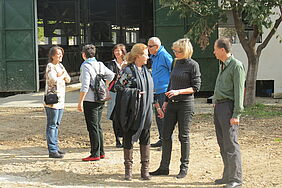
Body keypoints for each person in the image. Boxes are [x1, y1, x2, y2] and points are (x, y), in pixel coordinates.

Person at [150, 38, 201, 179]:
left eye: (177, 51)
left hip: (185, 104)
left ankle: (183, 167)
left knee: (183, 136)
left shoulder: (193, 65)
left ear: (184, 51)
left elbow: (196, 87)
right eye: (174, 50)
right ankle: (163, 167)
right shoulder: (175, 63)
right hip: (171, 104)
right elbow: (170, 83)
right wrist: (165, 102)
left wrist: (179, 92)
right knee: (166, 136)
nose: (174, 53)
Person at [114, 43, 162, 181]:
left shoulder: (147, 71)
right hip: (132, 111)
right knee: (128, 137)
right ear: (138, 56)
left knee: (145, 137)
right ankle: (128, 171)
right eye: (146, 54)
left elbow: (151, 92)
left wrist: (157, 107)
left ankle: (144, 171)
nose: (148, 56)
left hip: (146, 111)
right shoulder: (128, 71)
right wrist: (134, 93)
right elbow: (118, 87)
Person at [212, 37, 245, 188]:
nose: (214, 52)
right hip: (219, 107)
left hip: (228, 107)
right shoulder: (222, 65)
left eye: (215, 49)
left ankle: (236, 178)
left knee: (231, 143)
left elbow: (239, 92)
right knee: (222, 142)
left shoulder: (236, 66)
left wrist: (236, 114)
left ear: (222, 50)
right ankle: (227, 175)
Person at [78, 44, 115, 161]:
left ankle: (95, 153)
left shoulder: (85, 66)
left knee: (92, 127)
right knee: (98, 126)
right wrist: (105, 85)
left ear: (84, 55)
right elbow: (112, 75)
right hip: (101, 98)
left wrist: (80, 102)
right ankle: (101, 151)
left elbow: (85, 85)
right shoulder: (99, 64)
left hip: (90, 99)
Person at [44, 46, 71, 158]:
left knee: (56, 124)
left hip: (60, 99)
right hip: (52, 100)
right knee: (52, 124)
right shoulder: (50, 66)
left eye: (61, 54)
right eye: (58, 54)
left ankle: (56, 147)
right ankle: (52, 149)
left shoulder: (60, 66)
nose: (60, 56)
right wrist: (61, 76)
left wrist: (61, 76)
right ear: (52, 56)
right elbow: (53, 79)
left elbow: (68, 79)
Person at [147, 37, 173, 148]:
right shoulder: (153, 57)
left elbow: (173, 71)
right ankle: (162, 139)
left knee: (165, 117)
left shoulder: (165, 56)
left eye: (150, 46)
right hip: (156, 90)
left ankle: (167, 142)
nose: (148, 48)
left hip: (164, 90)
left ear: (157, 47)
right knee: (158, 116)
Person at [105, 44, 127, 148]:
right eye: (115, 51)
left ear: (123, 52)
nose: (117, 53)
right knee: (115, 115)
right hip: (114, 91)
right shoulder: (111, 64)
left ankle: (125, 136)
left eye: (119, 51)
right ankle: (117, 139)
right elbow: (108, 77)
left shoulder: (127, 63)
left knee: (125, 114)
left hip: (125, 91)